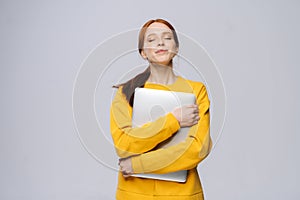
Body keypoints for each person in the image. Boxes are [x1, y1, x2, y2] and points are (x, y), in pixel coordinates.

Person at [110, 18, 212, 200]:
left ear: (176, 48)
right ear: (142, 52)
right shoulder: (125, 92)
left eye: (167, 37)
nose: (160, 42)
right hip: (134, 195)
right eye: (151, 39)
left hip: (182, 195)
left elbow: (196, 149)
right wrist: (174, 120)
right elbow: (124, 145)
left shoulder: (197, 91)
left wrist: (138, 164)